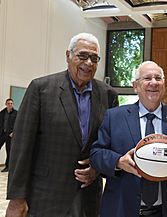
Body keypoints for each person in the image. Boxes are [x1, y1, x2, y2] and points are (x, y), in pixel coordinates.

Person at [5, 33, 118, 217]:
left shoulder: (108, 95)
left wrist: (97, 169)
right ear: (68, 56)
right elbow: (21, 147)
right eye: (82, 56)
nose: (88, 62)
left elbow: (111, 144)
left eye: (94, 58)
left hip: (89, 197)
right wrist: (17, 199)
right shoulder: (41, 89)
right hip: (47, 197)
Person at [90, 60, 167, 217]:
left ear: (163, 84)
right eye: (147, 78)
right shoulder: (115, 117)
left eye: (158, 78)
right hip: (122, 209)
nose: (154, 83)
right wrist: (118, 162)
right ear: (135, 86)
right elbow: (96, 154)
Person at [0, 98, 17, 172]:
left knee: (9, 150)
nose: (10, 105)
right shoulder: (2, 113)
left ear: (13, 104)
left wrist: (14, 132)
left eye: (11, 103)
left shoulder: (16, 113)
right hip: (2, 134)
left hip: (10, 135)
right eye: (8, 103)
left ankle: (7, 167)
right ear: (6, 104)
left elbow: (18, 124)